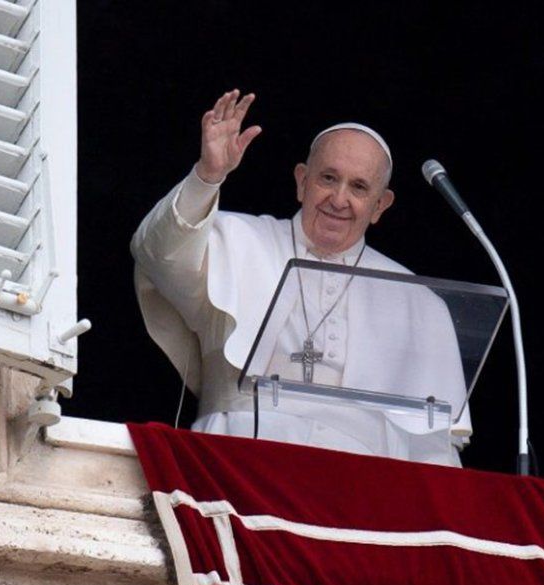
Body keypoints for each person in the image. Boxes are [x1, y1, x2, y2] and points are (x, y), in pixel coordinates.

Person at [131, 90, 470, 466]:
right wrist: (207, 178)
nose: (339, 199)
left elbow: (435, 446)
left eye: (358, 187)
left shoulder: (416, 300)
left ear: (380, 206)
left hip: (360, 488)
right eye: (328, 178)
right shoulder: (235, 240)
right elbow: (159, 254)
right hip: (233, 463)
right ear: (301, 181)